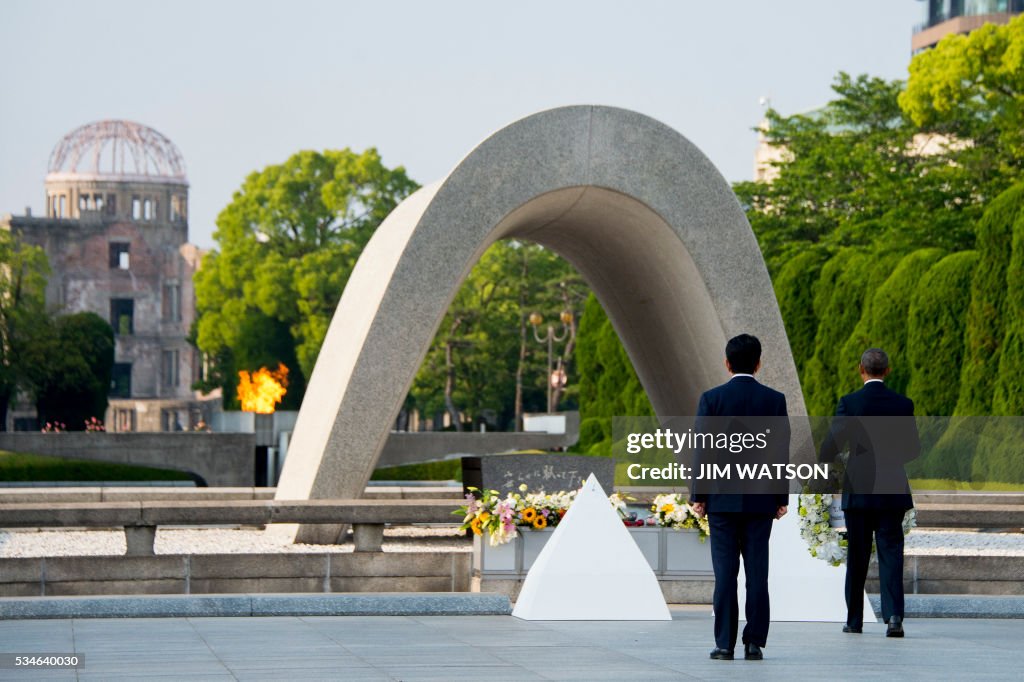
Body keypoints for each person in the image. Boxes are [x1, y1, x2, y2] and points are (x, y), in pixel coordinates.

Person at [690, 334, 789, 661]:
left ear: (727, 362)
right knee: (758, 573)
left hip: (722, 502)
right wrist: (780, 497)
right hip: (760, 501)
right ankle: (754, 642)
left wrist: (699, 495)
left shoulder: (712, 399)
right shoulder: (774, 401)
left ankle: (723, 644)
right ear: (759, 363)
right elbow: (779, 453)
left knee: (725, 574)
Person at [819, 348, 920, 638]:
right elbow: (913, 449)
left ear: (860, 369)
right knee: (891, 552)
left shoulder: (850, 403)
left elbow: (830, 449)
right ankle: (894, 617)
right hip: (891, 486)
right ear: (887, 371)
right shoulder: (902, 404)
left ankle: (854, 619)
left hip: (859, 487)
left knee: (858, 554)